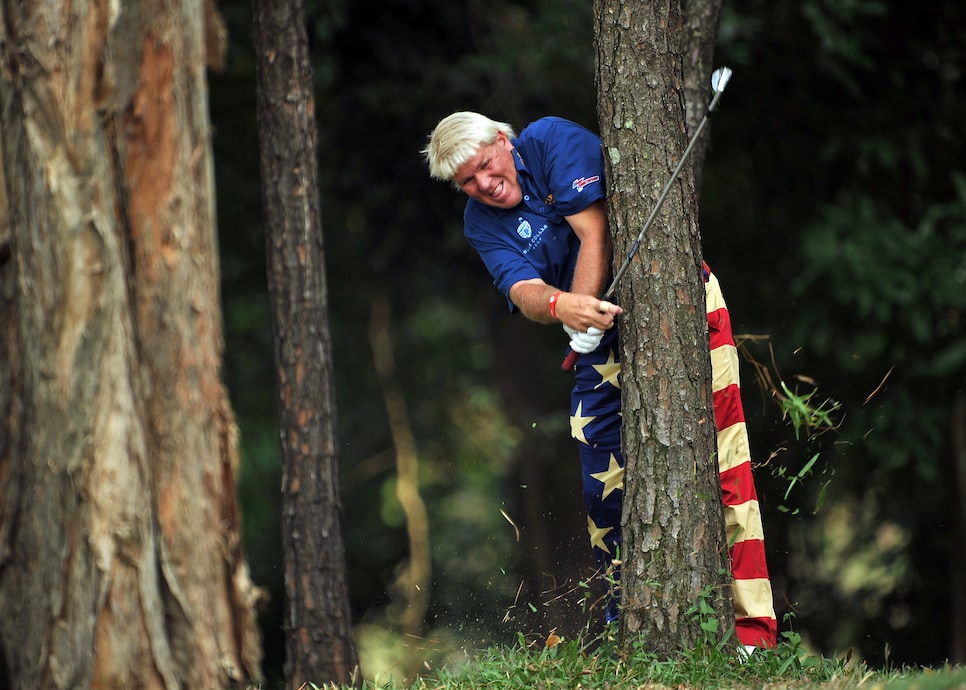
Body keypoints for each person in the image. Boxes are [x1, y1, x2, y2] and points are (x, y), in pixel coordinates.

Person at [422, 111, 777, 651]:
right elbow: (523, 292)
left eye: (485, 167)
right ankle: (629, 627)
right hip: (594, 337)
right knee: (601, 480)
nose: (484, 185)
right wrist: (565, 308)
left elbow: (594, 230)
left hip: (672, 304)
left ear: (502, 140)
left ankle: (752, 632)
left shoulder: (546, 141)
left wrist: (576, 314)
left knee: (718, 456)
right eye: (466, 182)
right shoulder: (479, 221)